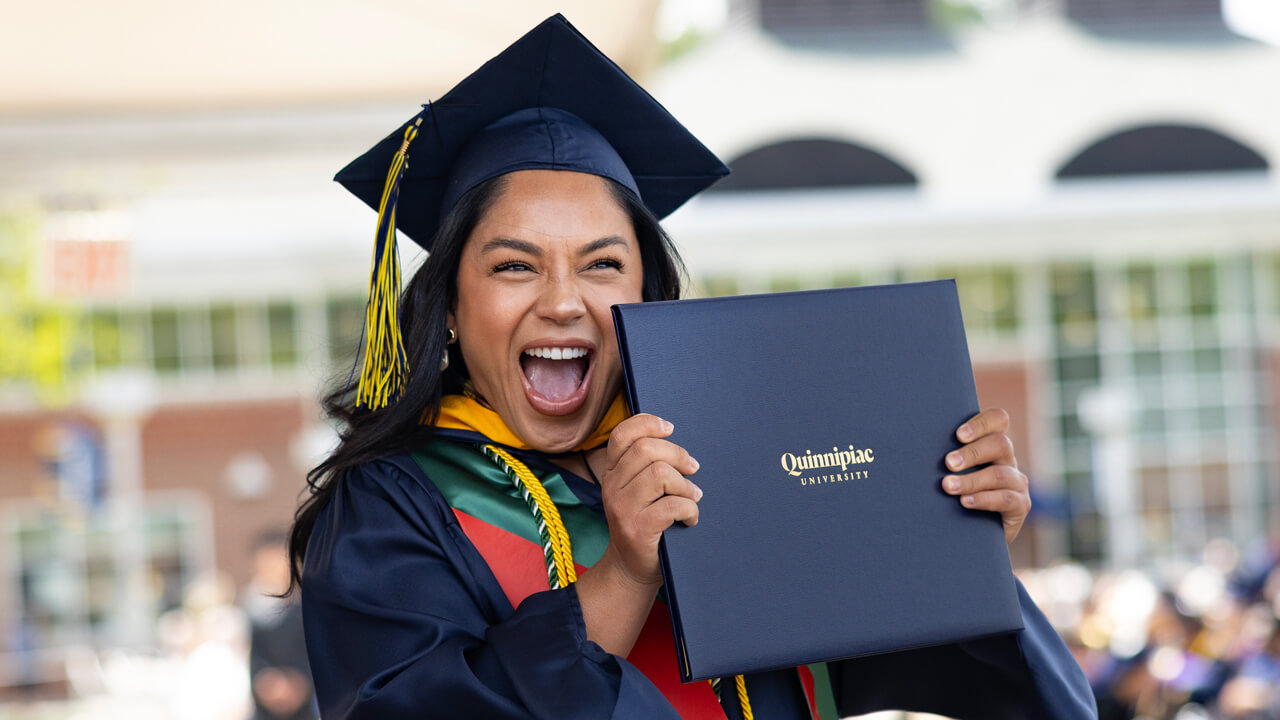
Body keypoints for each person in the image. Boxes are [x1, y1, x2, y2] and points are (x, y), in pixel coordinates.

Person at [287, 14, 1098, 719]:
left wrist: (953, 540)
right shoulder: (393, 507)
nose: (565, 302)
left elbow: (961, 678)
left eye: (603, 265)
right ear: (452, 311)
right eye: (514, 266)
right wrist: (624, 574)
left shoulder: (734, 463)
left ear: (647, 293)